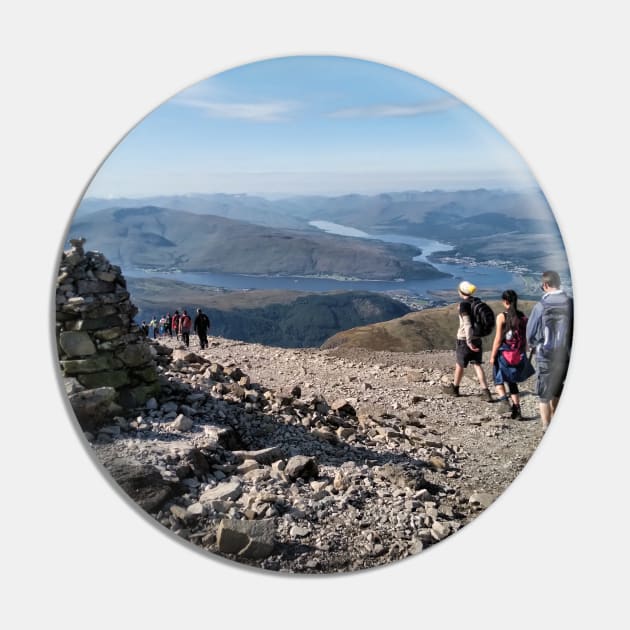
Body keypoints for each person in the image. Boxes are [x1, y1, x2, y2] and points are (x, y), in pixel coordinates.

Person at [526, 270, 573, 430]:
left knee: (544, 395)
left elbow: (530, 333)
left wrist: (534, 345)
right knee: (558, 390)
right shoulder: (571, 303)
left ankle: (546, 427)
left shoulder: (541, 306)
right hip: (565, 355)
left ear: (545, 285)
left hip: (545, 356)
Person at [442, 280, 493, 402]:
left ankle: (455, 389)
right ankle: (486, 392)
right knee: (477, 364)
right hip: (477, 338)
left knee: (460, 364)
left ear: (461, 292)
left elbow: (467, 324)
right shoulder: (477, 301)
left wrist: (469, 341)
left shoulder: (464, 305)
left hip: (465, 339)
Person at [489, 290, 536, 419]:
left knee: (498, 379)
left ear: (505, 301)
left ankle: (504, 401)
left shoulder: (502, 316)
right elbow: (525, 338)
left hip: (504, 354)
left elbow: (498, 338)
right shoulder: (522, 317)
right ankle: (517, 411)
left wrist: (492, 356)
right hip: (517, 354)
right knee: (512, 382)